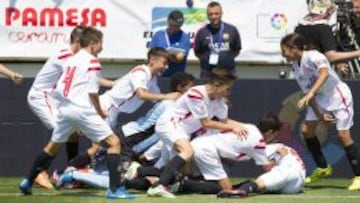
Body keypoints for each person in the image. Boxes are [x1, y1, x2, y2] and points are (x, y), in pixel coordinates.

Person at [18, 26, 135, 199]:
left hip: (65, 111)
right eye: (101, 45)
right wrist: (99, 111)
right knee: (114, 143)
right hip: (82, 111)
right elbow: (93, 93)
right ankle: (114, 189)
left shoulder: (72, 59)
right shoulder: (93, 62)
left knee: (52, 147)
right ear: (93, 44)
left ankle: (27, 181)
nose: (101, 49)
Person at [60, 47, 181, 174]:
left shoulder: (152, 79)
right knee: (97, 147)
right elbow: (141, 94)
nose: (166, 67)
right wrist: (167, 96)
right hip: (106, 107)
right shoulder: (141, 73)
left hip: (112, 111)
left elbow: (158, 100)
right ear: (152, 60)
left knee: (99, 146)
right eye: (164, 63)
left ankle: (73, 171)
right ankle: (67, 172)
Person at [146, 67, 247, 198]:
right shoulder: (196, 93)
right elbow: (207, 123)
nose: (229, 93)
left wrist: (246, 128)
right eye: (227, 88)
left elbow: (225, 122)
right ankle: (158, 186)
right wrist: (233, 128)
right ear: (217, 86)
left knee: (184, 171)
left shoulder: (220, 103)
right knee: (187, 152)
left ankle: (136, 175)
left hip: (182, 132)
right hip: (170, 124)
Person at [280, 32, 360, 191]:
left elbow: (324, 73)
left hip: (338, 95)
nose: (283, 54)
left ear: (294, 48)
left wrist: (310, 94)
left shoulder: (313, 55)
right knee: (306, 130)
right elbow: (308, 92)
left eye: (285, 51)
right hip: (320, 98)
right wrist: (319, 114)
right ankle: (323, 167)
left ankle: (359, 176)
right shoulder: (295, 67)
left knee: (343, 134)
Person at [26, 26, 86, 189]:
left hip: (53, 98)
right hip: (41, 96)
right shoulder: (66, 57)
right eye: (86, 43)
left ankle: (72, 175)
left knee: (72, 133)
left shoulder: (75, 58)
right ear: (77, 42)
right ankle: (41, 173)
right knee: (62, 131)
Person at [217, 143, 306, 198]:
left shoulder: (269, 147)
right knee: (261, 186)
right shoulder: (286, 148)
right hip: (298, 185)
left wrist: (273, 161)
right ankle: (242, 188)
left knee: (258, 183)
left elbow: (282, 150)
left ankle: (242, 191)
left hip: (288, 171)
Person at [294, 0, 360, 62]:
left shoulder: (300, 26)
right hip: (318, 68)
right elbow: (331, 56)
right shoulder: (323, 28)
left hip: (305, 68)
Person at [193, 1, 241, 80]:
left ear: (221, 13)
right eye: (210, 14)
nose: (213, 16)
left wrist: (226, 59)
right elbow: (197, 52)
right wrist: (207, 60)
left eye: (216, 14)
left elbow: (237, 49)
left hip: (228, 72)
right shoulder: (202, 32)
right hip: (208, 73)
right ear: (207, 15)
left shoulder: (232, 30)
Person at [149, 10, 191, 77]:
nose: (175, 28)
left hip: (175, 76)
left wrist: (167, 56)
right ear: (168, 21)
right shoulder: (158, 35)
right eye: (173, 25)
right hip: (158, 75)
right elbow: (151, 54)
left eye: (178, 26)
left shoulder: (184, 37)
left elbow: (180, 57)